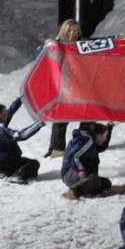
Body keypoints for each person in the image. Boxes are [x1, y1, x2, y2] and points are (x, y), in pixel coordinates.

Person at [0, 97, 45, 183]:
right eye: (4, 113)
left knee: (29, 164)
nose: (6, 114)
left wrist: (21, 99)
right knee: (33, 164)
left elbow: (10, 112)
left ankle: (0, 172)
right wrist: (40, 123)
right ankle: (15, 176)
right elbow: (21, 135)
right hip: (5, 162)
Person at [45, 19, 82, 158]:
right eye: (70, 30)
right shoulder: (57, 45)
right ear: (64, 31)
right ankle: (57, 148)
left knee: (88, 114)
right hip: (62, 86)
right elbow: (46, 57)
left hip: (80, 85)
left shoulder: (81, 44)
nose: (73, 33)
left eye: (76, 31)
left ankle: (85, 142)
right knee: (61, 117)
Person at [61, 122, 114, 198]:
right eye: (104, 136)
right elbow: (75, 156)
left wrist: (110, 128)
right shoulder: (86, 142)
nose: (105, 139)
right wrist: (81, 169)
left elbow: (103, 146)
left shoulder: (92, 143)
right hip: (71, 173)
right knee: (96, 181)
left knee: (106, 183)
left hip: (81, 176)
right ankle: (74, 192)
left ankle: (88, 189)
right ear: (98, 135)